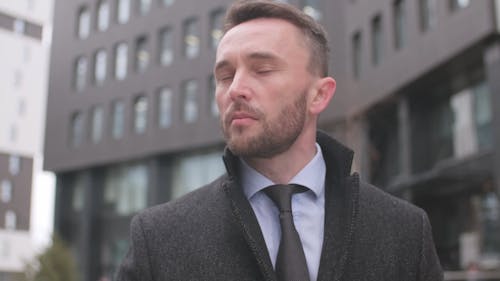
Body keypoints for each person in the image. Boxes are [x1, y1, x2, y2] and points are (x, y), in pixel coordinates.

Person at [116, 1, 443, 280]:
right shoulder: (159, 239)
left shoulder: (405, 232)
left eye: (262, 70)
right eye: (225, 76)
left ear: (319, 95)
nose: (235, 89)